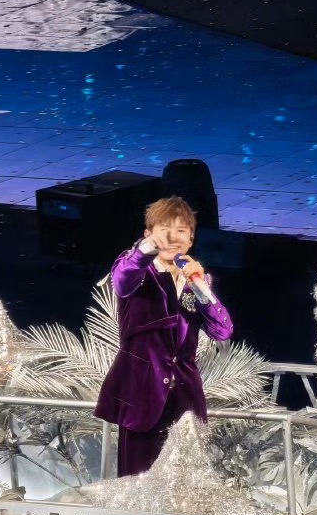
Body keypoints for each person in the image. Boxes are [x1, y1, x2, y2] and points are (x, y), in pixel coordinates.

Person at [95, 196, 233, 476]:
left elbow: (222, 331)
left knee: (185, 480)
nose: (173, 237)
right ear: (148, 234)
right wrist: (147, 248)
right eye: (165, 229)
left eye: (181, 230)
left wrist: (201, 289)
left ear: (191, 239)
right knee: (138, 480)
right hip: (141, 395)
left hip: (186, 398)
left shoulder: (197, 279)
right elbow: (122, 280)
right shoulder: (136, 269)